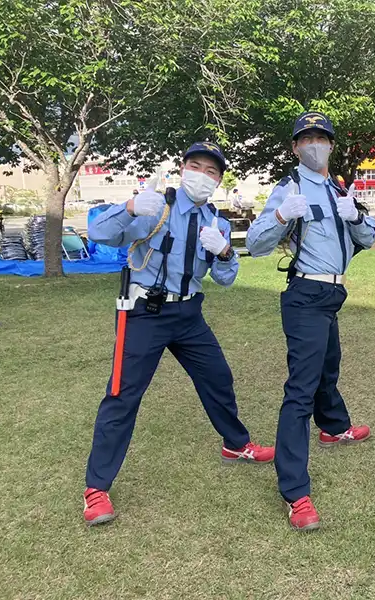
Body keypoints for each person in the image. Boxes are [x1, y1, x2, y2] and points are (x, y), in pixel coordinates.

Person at [82, 142, 274, 527]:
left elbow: (226, 279)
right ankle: (96, 488)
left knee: (218, 378)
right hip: (144, 314)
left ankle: (236, 445)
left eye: (211, 171)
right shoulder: (157, 207)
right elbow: (98, 233)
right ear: (182, 167)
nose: (202, 176)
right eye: (196, 166)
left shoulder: (216, 222)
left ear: (219, 180)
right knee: (122, 395)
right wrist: (131, 207)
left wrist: (224, 253)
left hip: (189, 313)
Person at [246, 111, 375, 531]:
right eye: (307, 138)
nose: (315, 144)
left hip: (333, 293)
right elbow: (255, 243)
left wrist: (355, 215)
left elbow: (370, 238)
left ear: (332, 145)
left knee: (327, 367)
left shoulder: (340, 188)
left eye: (322, 137)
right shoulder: (289, 188)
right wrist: (282, 216)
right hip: (305, 294)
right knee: (300, 390)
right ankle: (295, 492)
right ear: (295, 148)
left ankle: (334, 428)